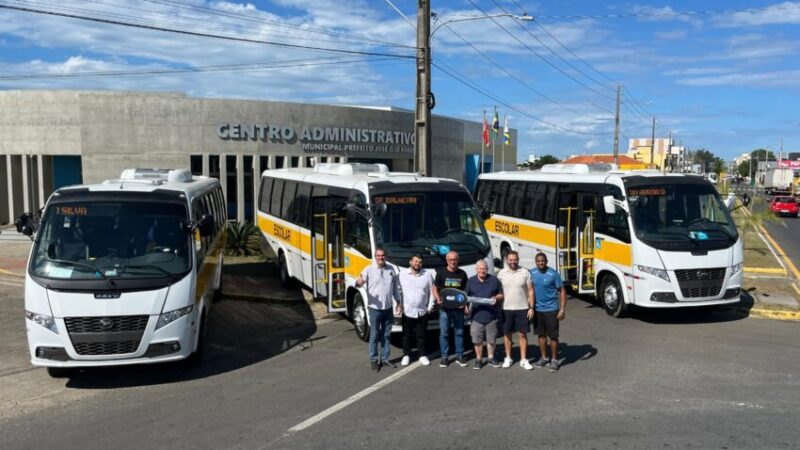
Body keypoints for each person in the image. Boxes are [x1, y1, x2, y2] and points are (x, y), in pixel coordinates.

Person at [356, 247, 401, 371]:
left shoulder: (391, 270)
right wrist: (358, 282)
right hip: (374, 308)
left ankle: (385, 358)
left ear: (385, 256)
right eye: (378, 256)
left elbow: (395, 288)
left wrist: (398, 302)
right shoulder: (368, 269)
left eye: (383, 255)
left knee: (386, 335)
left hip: (388, 308)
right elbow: (359, 282)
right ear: (375, 257)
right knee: (374, 335)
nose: (381, 258)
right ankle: (374, 360)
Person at [497, 250, 535, 370]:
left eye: (515, 259)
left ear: (518, 259)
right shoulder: (501, 273)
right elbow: (497, 291)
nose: (513, 262)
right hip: (506, 308)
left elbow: (531, 291)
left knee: (522, 334)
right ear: (507, 260)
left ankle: (524, 360)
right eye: (511, 259)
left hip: (522, 308)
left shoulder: (525, 272)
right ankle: (508, 358)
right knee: (507, 334)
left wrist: (531, 307)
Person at [530, 253, 567, 372]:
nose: (541, 263)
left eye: (543, 261)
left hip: (551, 310)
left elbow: (562, 291)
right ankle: (544, 358)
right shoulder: (532, 273)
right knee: (541, 335)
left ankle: (554, 360)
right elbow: (528, 289)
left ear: (546, 261)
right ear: (536, 262)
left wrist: (562, 309)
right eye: (538, 261)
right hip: (537, 310)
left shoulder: (553, 274)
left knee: (553, 336)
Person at [433, 250, 469, 368]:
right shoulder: (441, 273)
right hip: (445, 309)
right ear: (447, 260)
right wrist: (438, 299)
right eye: (451, 259)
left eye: (455, 259)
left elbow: (465, 292)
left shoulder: (462, 274)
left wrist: (466, 305)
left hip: (458, 309)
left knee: (459, 332)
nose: (453, 262)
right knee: (444, 333)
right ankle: (445, 357)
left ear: (458, 260)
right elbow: (435, 288)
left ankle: (459, 355)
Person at [398, 254, 435, 367]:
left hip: (422, 311)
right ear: (410, 262)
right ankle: (406, 355)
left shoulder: (427, 275)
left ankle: (422, 355)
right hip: (407, 311)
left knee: (422, 335)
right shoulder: (402, 275)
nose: (417, 264)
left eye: (419, 262)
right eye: (415, 261)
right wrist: (399, 305)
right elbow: (398, 290)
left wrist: (430, 307)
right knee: (406, 335)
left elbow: (432, 292)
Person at [466, 259, 504, 370]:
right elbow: (465, 297)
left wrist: (496, 298)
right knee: (477, 340)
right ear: (476, 269)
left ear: (487, 269)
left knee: (491, 339)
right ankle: (479, 359)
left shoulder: (493, 280)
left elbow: (501, 294)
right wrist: (465, 306)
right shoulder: (471, 281)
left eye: (484, 268)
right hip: (476, 317)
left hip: (491, 316)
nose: (482, 271)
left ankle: (491, 358)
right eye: (480, 268)